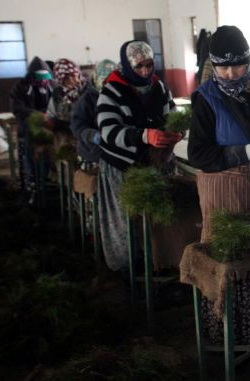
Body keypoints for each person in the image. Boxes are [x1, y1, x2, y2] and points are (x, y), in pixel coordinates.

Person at [187, 24, 250, 242]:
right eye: (222, 67)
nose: (230, 74)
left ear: (248, 59)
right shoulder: (206, 100)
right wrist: (244, 152)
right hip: (228, 204)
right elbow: (198, 153)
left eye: (238, 66)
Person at [96, 40, 179, 271]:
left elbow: (171, 113)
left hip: (155, 163)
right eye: (139, 66)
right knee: (126, 223)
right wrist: (143, 136)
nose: (145, 71)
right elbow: (108, 131)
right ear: (126, 65)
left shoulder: (159, 87)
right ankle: (128, 270)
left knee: (157, 222)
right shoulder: (111, 91)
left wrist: (175, 131)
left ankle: (158, 266)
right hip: (122, 168)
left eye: (149, 65)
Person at [9, 56, 54, 200]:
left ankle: (47, 187)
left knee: (48, 160)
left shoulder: (51, 86)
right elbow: (17, 108)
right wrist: (38, 115)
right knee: (29, 162)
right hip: (28, 131)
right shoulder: (21, 87)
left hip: (48, 130)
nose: (43, 81)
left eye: (45, 77)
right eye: (40, 78)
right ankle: (30, 191)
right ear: (32, 76)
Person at [70, 59, 116, 164]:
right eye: (105, 82)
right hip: (92, 152)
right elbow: (77, 124)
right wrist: (90, 135)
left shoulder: (120, 96)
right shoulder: (87, 99)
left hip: (115, 148)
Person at [47, 58, 91, 149]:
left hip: (86, 139)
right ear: (60, 80)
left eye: (72, 75)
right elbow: (51, 115)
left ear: (77, 73)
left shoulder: (89, 90)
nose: (71, 80)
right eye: (66, 78)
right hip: (65, 140)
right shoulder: (57, 94)